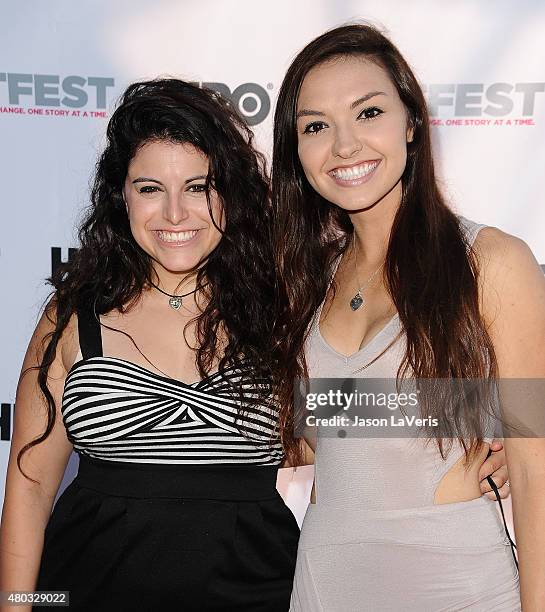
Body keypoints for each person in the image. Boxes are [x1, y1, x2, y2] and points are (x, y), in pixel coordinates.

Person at [272, 24, 545, 610]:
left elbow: (535, 468)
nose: (344, 146)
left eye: (368, 113)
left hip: (458, 586)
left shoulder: (491, 262)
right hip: (326, 580)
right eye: (316, 125)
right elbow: (321, 440)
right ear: (297, 151)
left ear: (412, 121)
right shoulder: (306, 279)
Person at [0, 79, 299, 611]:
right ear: (122, 196)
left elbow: (376, 412)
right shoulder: (74, 314)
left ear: (230, 191)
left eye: (198, 186)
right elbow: (29, 487)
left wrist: (491, 425)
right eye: (150, 188)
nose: (175, 214)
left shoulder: (282, 313)